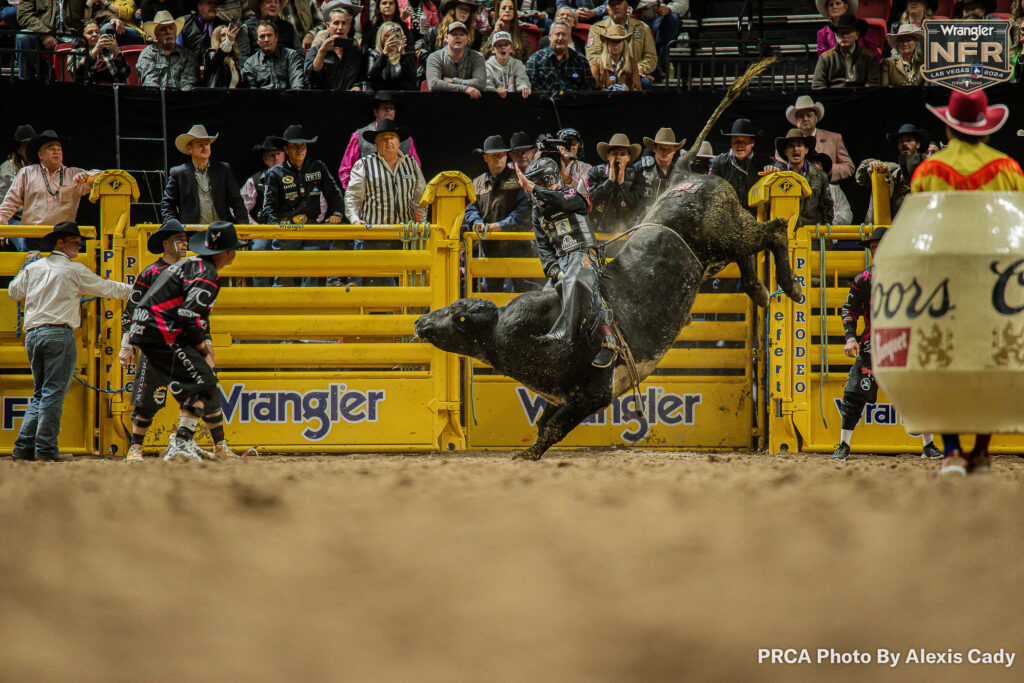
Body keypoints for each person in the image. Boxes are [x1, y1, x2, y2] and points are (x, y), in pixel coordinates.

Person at [910, 90, 1024, 475]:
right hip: (995, 277)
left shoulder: (928, 170)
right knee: (993, 356)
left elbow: (918, 227)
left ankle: (952, 451)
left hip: (943, 275)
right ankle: (980, 451)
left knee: (942, 358)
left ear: (948, 126)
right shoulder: (1009, 168)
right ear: (986, 129)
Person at [8, 222, 131, 461]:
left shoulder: (35, 267)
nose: (78, 244)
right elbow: (107, 288)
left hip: (33, 335)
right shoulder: (75, 270)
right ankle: (45, 450)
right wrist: (136, 289)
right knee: (52, 393)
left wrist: (26, 266)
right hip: (58, 333)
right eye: (73, 241)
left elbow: (14, 292)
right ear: (59, 243)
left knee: (41, 393)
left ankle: (23, 448)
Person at [119, 221, 237, 460]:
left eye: (186, 239)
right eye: (179, 239)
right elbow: (186, 313)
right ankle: (161, 444)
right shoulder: (160, 272)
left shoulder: (188, 267)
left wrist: (204, 340)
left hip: (163, 332)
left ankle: (199, 443)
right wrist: (126, 344)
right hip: (164, 333)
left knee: (203, 384)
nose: (183, 243)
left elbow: (191, 313)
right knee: (179, 386)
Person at [830, 227, 942, 461]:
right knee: (853, 395)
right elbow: (848, 309)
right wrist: (850, 337)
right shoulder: (864, 280)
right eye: (872, 247)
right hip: (873, 346)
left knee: (921, 392)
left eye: (879, 246)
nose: (876, 250)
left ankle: (928, 444)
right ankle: (843, 444)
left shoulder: (911, 278)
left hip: (905, 344)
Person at [515, 156, 620, 368]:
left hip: (584, 253)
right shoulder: (538, 214)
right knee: (544, 299)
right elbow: (543, 248)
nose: (540, 189)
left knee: (577, 281)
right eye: (538, 184)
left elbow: (563, 201)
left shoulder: (572, 193)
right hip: (562, 262)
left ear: (553, 179)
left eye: (544, 183)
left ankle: (607, 341)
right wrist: (554, 271)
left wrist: (534, 188)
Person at [262, 124, 345, 287]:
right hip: (286, 230)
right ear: (286, 149)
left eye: (303, 145)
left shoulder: (318, 167)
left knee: (340, 234)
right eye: (295, 146)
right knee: (284, 276)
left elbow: (335, 193)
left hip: (312, 227)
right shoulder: (275, 173)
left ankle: (334, 283)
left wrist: (336, 212)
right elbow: (268, 207)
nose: (300, 149)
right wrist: (276, 227)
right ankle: (282, 308)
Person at [463, 134, 532, 292]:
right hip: (492, 248)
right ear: (485, 158)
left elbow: (524, 211)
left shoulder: (519, 180)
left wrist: (501, 226)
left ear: (506, 155)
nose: (498, 159)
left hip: (519, 247)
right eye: (494, 156)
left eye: (501, 155)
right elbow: (471, 209)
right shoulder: (477, 183)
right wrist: (476, 222)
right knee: (491, 293)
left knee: (525, 292)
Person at [0, 130, 101, 233]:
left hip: (62, 237)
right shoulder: (26, 173)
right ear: (41, 155)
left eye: (59, 149)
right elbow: (9, 204)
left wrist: (88, 177)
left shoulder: (74, 174)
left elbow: (103, 176)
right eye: (51, 148)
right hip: (33, 236)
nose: (56, 151)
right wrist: (2, 229)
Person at [161, 125, 247, 225]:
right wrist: (174, 228)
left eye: (207, 144)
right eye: (200, 144)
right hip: (192, 233)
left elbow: (236, 200)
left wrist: (243, 224)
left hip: (222, 231)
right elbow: (167, 204)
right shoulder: (179, 173)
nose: (204, 147)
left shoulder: (223, 169)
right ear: (190, 148)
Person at [16, 0, 116, 81]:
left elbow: (98, 9)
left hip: (76, 38)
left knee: (100, 31)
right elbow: (24, 14)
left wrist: (112, 18)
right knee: (23, 37)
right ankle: (26, 83)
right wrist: (44, 34)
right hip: (43, 37)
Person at [337, 93, 421, 190]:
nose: (388, 110)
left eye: (391, 108)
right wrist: (354, 194)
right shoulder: (359, 136)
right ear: (375, 112)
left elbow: (416, 169)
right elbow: (346, 169)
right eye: (385, 108)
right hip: (369, 195)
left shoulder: (407, 140)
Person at [855, 123, 927, 222]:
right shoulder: (890, 169)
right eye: (901, 141)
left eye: (909, 140)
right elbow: (861, 179)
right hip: (890, 227)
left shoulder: (927, 170)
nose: (905, 144)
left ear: (918, 144)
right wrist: (871, 164)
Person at [241, 136, 285, 287]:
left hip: (288, 227)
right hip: (263, 228)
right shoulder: (255, 180)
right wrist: (255, 227)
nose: (275, 158)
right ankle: (261, 294)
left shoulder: (295, 176)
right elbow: (240, 208)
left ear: (284, 156)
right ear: (265, 159)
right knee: (259, 249)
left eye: (278, 154)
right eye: (271, 156)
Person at [771, 128, 834, 227]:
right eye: (791, 146)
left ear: (806, 150)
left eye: (799, 145)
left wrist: (826, 238)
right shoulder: (778, 177)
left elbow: (827, 209)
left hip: (812, 237)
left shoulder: (820, 176)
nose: (795, 149)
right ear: (785, 151)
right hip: (785, 237)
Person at [584, 0, 657, 84]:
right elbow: (593, 56)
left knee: (645, 83)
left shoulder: (642, 28)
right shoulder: (596, 29)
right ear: (607, 9)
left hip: (635, 74)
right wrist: (612, 70)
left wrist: (635, 69)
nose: (616, 7)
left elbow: (651, 57)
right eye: (612, 4)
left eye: (619, 3)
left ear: (627, 6)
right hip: (606, 74)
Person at [584, 133, 644, 234]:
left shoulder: (636, 176)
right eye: (615, 154)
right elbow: (590, 202)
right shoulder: (595, 172)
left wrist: (622, 184)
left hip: (626, 233)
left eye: (622, 154)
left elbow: (638, 206)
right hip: (598, 231)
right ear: (608, 156)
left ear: (629, 157)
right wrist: (610, 181)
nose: (618, 158)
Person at [786, 95, 855, 182]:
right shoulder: (786, 143)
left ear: (816, 118)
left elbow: (849, 167)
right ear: (796, 120)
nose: (805, 119)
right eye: (800, 116)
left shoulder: (834, 138)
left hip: (829, 189)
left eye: (809, 115)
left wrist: (825, 169)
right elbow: (780, 166)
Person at [710, 118, 771, 215]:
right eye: (736, 141)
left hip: (756, 219)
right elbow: (713, 191)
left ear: (752, 143)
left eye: (744, 142)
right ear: (731, 142)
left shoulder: (765, 163)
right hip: (728, 218)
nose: (740, 145)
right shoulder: (718, 163)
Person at [812, 14, 881, 89]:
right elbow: (818, 85)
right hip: (834, 98)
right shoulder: (826, 58)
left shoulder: (869, 57)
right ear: (837, 35)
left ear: (857, 34)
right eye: (841, 33)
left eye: (848, 32)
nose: (845, 36)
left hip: (861, 98)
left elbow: (872, 85)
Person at [306, 6, 367, 90]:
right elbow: (311, 79)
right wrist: (322, 52)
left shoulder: (359, 52)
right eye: (336, 23)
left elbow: (362, 79)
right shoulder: (314, 51)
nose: (340, 27)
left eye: (344, 23)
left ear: (348, 27)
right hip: (323, 100)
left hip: (349, 99)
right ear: (328, 26)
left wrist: (357, 87)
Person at [525, 20, 594, 91]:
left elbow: (588, 86)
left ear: (570, 38)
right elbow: (531, 86)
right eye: (557, 34)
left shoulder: (580, 60)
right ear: (550, 36)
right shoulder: (535, 60)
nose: (560, 38)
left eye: (564, 35)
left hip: (574, 101)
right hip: (544, 101)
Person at [137, 11, 198, 90]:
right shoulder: (148, 54)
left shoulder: (188, 55)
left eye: (171, 28)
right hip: (156, 100)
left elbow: (188, 86)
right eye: (163, 29)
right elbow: (150, 85)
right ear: (156, 34)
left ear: (175, 31)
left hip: (182, 100)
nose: (168, 32)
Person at [425, 20, 486, 96]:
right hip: (442, 102)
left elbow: (480, 83)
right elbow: (434, 84)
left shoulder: (477, 57)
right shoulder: (435, 57)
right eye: (454, 34)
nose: (458, 37)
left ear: (467, 39)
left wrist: (453, 81)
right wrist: (464, 89)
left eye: (461, 34)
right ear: (446, 38)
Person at [242, 19, 305, 89]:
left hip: (289, 98)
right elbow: (252, 94)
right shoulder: (250, 64)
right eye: (262, 36)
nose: (266, 40)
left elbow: (298, 87)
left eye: (269, 35)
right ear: (257, 40)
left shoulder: (291, 56)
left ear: (276, 37)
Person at [0, 124, 37, 246]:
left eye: (33, 145)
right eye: (26, 146)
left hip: (38, 219)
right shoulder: (8, 168)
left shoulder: (43, 167)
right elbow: (2, 200)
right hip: (15, 218)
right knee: (25, 242)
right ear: (19, 149)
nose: (31, 149)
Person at [635, 127, 685, 214]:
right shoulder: (640, 168)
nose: (665, 153)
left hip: (668, 218)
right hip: (641, 218)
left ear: (675, 150)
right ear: (654, 148)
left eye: (669, 149)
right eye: (662, 149)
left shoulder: (681, 172)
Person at [68, 17, 132, 83]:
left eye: (97, 32)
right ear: (82, 38)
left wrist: (117, 53)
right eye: (90, 33)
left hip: (112, 90)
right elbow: (76, 72)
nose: (95, 34)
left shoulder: (109, 50)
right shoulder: (75, 52)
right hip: (88, 91)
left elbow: (126, 74)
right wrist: (95, 51)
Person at [816, 0, 881, 61]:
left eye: (838, 3)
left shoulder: (861, 27)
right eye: (831, 5)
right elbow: (823, 59)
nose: (834, 7)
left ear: (846, 7)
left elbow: (874, 54)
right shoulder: (822, 33)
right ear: (827, 10)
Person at [178, 0, 229, 77]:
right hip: (188, 73)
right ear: (199, 5)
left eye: (215, 3)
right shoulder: (184, 24)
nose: (213, 6)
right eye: (209, 2)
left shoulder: (223, 27)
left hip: (216, 75)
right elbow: (178, 52)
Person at [368, 20, 418, 90]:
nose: (391, 39)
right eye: (387, 36)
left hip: (402, 96)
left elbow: (411, 80)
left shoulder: (408, 55)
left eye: (395, 36)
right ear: (381, 38)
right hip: (380, 96)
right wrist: (384, 54)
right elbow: (371, 77)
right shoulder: (374, 54)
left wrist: (403, 54)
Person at [589, 24, 641, 91]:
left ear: (624, 44)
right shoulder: (596, 64)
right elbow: (593, 87)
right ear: (607, 43)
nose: (615, 44)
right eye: (612, 41)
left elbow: (636, 88)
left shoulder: (632, 63)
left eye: (618, 41)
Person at [808, 153, 851, 225]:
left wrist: (827, 221)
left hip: (830, 233)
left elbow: (846, 217)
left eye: (819, 172)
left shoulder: (834, 190)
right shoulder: (801, 189)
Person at [484, 30, 531, 97]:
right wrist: (495, 90)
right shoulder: (487, 66)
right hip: (494, 100)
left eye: (506, 45)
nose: (503, 47)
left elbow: (522, 80)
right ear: (493, 50)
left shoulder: (518, 64)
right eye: (499, 45)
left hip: (514, 101)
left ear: (511, 49)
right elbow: (487, 86)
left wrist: (523, 87)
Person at [204, 23, 244, 87]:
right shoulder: (211, 53)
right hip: (217, 95)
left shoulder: (233, 58)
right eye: (223, 35)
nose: (227, 37)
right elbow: (217, 57)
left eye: (228, 35)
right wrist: (228, 41)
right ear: (217, 38)